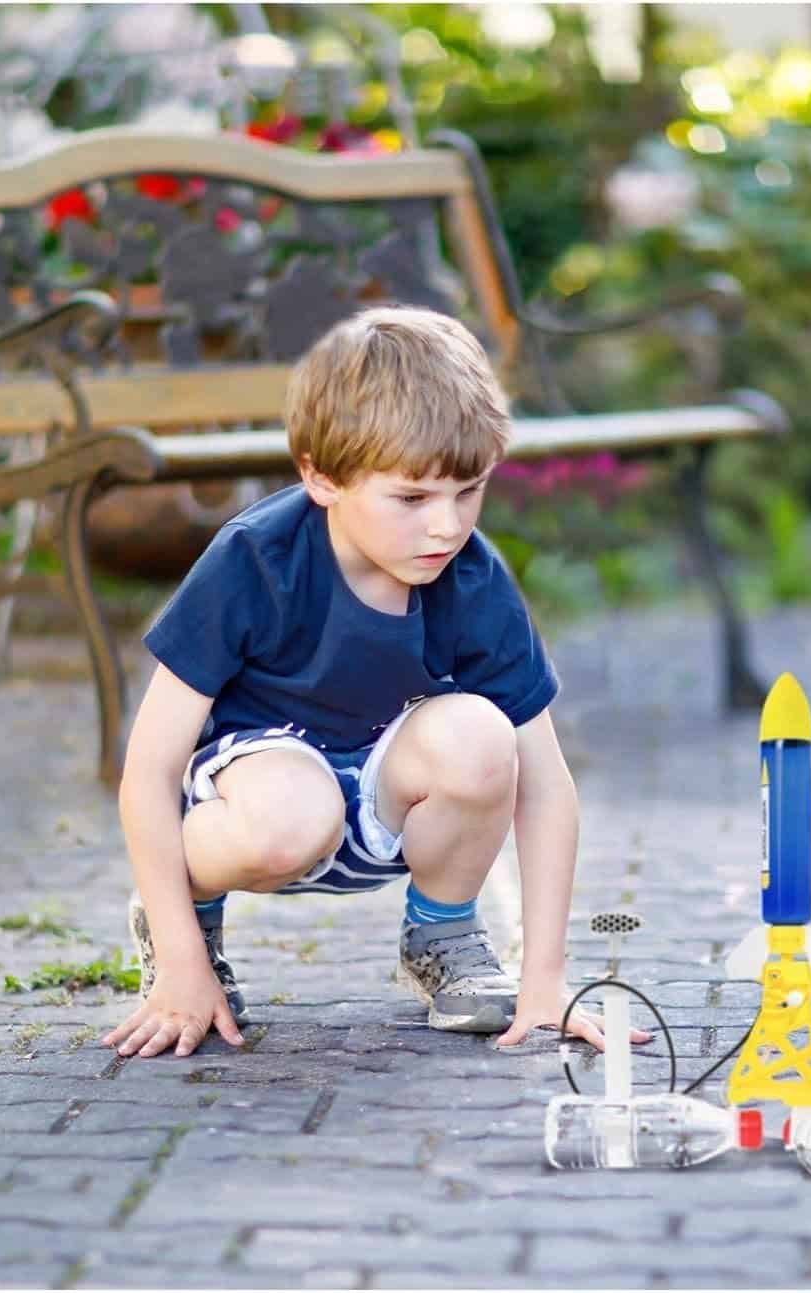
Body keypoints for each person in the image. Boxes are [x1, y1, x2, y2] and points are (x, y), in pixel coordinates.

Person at [103, 305, 650, 1061]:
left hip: (384, 785)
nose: (447, 527)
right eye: (412, 498)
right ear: (322, 477)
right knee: (294, 814)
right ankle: (186, 927)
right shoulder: (254, 561)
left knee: (485, 737)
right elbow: (148, 771)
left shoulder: (470, 575)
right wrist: (180, 958)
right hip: (262, 793)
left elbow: (547, 783)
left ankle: (444, 934)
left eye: (469, 491)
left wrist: (545, 976)